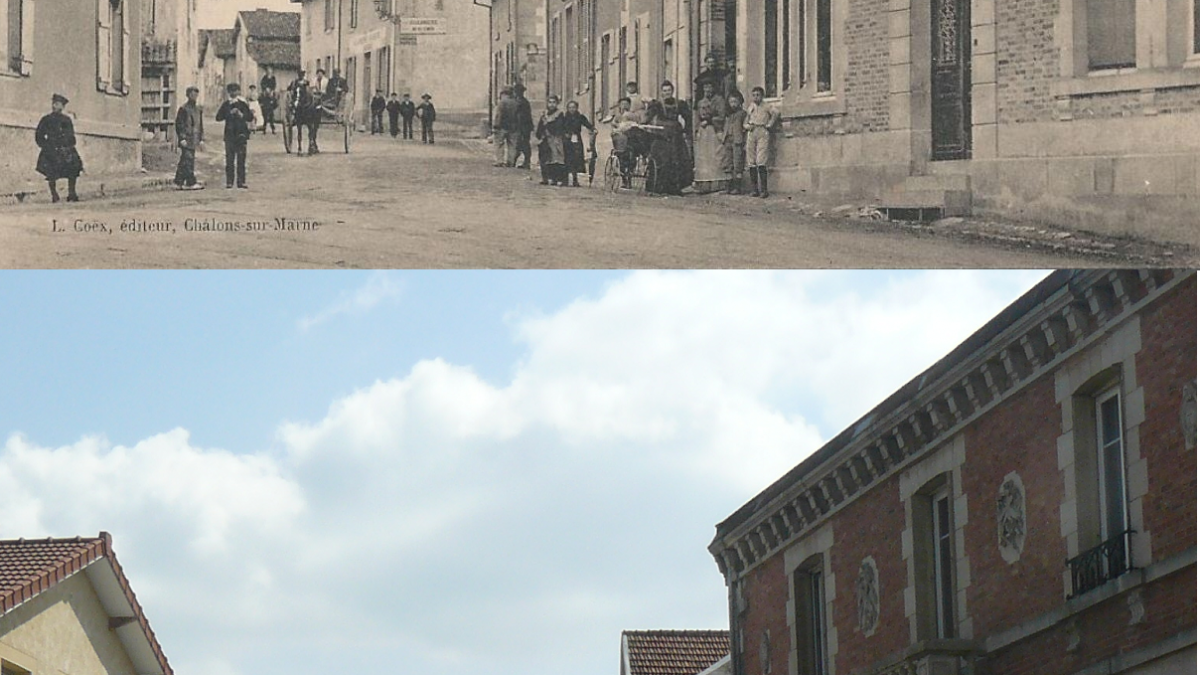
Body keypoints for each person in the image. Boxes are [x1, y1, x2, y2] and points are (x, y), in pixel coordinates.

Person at [34, 93, 84, 203]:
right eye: (53, 104)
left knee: (74, 168)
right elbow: (39, 135)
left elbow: (71, 136)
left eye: (57, 104)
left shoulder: (66, 120)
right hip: (51, 149)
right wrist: (45, 146)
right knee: (51, 172)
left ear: (62, 106)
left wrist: (69, 146)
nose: (54, 106)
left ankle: (72, 193)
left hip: (65, 148)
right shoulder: (46, 119)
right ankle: (54, 195)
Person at [647, 80, 692, 195]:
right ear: (661, 92)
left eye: (669, 90)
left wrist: (687, 130)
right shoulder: (657, 104)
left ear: (672, 91)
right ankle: (659, 186)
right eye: (664, 91)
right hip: (662, 135)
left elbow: (688, 117)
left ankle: (676, 187)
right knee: (662, 160)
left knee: (678, 159)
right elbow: (649, 117)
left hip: (676, 135)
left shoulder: (680, 104)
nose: (667, 93)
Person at [692, 79, 730, 194]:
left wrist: (709, 120)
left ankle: (717, 184)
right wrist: (697, 129)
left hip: (714, 130)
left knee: (715, 156)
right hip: (704, 132)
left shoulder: (719, 100)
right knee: (703, 157)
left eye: (710, 87)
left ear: (714, 88)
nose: (708, 90)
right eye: (705, 87)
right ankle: (704, 184)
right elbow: (697, 117)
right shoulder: (700, 102)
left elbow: (722, 116)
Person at [215, 82, 253, 189]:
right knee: (229, 160)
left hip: (241, 134)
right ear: (229, 92)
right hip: (230, 135)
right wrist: (229, 113)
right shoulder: (226, 104)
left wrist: (242, 115)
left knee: (241, 159)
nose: (234, 93)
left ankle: (241, 181)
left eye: (235, 90)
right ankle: (229, 182)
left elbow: (250, 117)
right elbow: (218, 117)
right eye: (231, 91)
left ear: (238, 92)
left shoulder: (242, 104)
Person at [744, 85, 779, 197]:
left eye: (758, 95)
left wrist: (770, 124)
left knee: (761, 159)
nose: (756, 98)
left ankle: (764, 190)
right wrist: (747, 126)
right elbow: (746, 120)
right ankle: (754, 189)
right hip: (752, 131)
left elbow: (776, 113)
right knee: (751, 160)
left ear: (762, 96)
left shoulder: (767, 106)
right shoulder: (751, 107)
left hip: (762, 131)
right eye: (754, 95)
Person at [174, 86, 205, 190]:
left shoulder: (198, 110)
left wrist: (201, 139)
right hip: (186, 138)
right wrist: (182, 138)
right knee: (188, 159)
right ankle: (191, 182)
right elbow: (179, 125)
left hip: (194, 138)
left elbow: (200, 125)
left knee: (185, 160)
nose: (194, 96)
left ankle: (178, 181)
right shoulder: (183, 109)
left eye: (196, 94)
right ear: (188, 95)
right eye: (192, 94)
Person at [535, 95, 567, 186]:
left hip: (556, 139)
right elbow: (540, 126)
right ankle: (545, 178)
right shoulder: (544, 114)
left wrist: (550, 127)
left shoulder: (559, 114)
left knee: (556, 159)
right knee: (544, 158)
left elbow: (560, 126)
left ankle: (555, 178)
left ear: (557, 104)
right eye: (550, 102)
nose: (552, 104)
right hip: (545, 139)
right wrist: (539, 134)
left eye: (554, 102)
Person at [562, 100, 595, 187]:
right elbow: (560, 127)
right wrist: (564, 134)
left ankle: (575, 180)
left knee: (576, 159)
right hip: (566, 140)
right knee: (566, 159)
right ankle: (565, 180)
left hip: (576, 139)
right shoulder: (564, 117)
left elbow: (587, 124)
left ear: (576, 108)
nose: (572, 109)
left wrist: (593, 129)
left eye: (573, 107)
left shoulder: (580, 117)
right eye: (570, 107)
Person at [721, 90, 748, 194]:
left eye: (735, 102)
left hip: (738, 141)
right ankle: (728, 186)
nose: (733, 104)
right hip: (728, 140)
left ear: (740, 102)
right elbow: (726, 127)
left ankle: (737, 187)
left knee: (738, 164)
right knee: (728, 163)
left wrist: (744, 142)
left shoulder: (743, 114)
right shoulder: (728, 115)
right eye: (731, 102)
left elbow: (745, 129)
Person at [492, 87, 518, 167]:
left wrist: (496, 125)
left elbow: (498, 115)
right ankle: (511, 161)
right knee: (512, 145)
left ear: (503, 94)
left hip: (502, 126)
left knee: (499, 144)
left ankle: (499, 161)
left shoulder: (501, 103)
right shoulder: (515, 102)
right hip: (513, 127)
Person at [513, 83, 534, 169]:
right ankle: (523, 162)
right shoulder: (523, 101)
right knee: (522, 144)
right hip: (524, 126)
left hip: (523, 127)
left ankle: (525, 162)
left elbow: (522, 116)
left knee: (522, 144)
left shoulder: (521, 102)